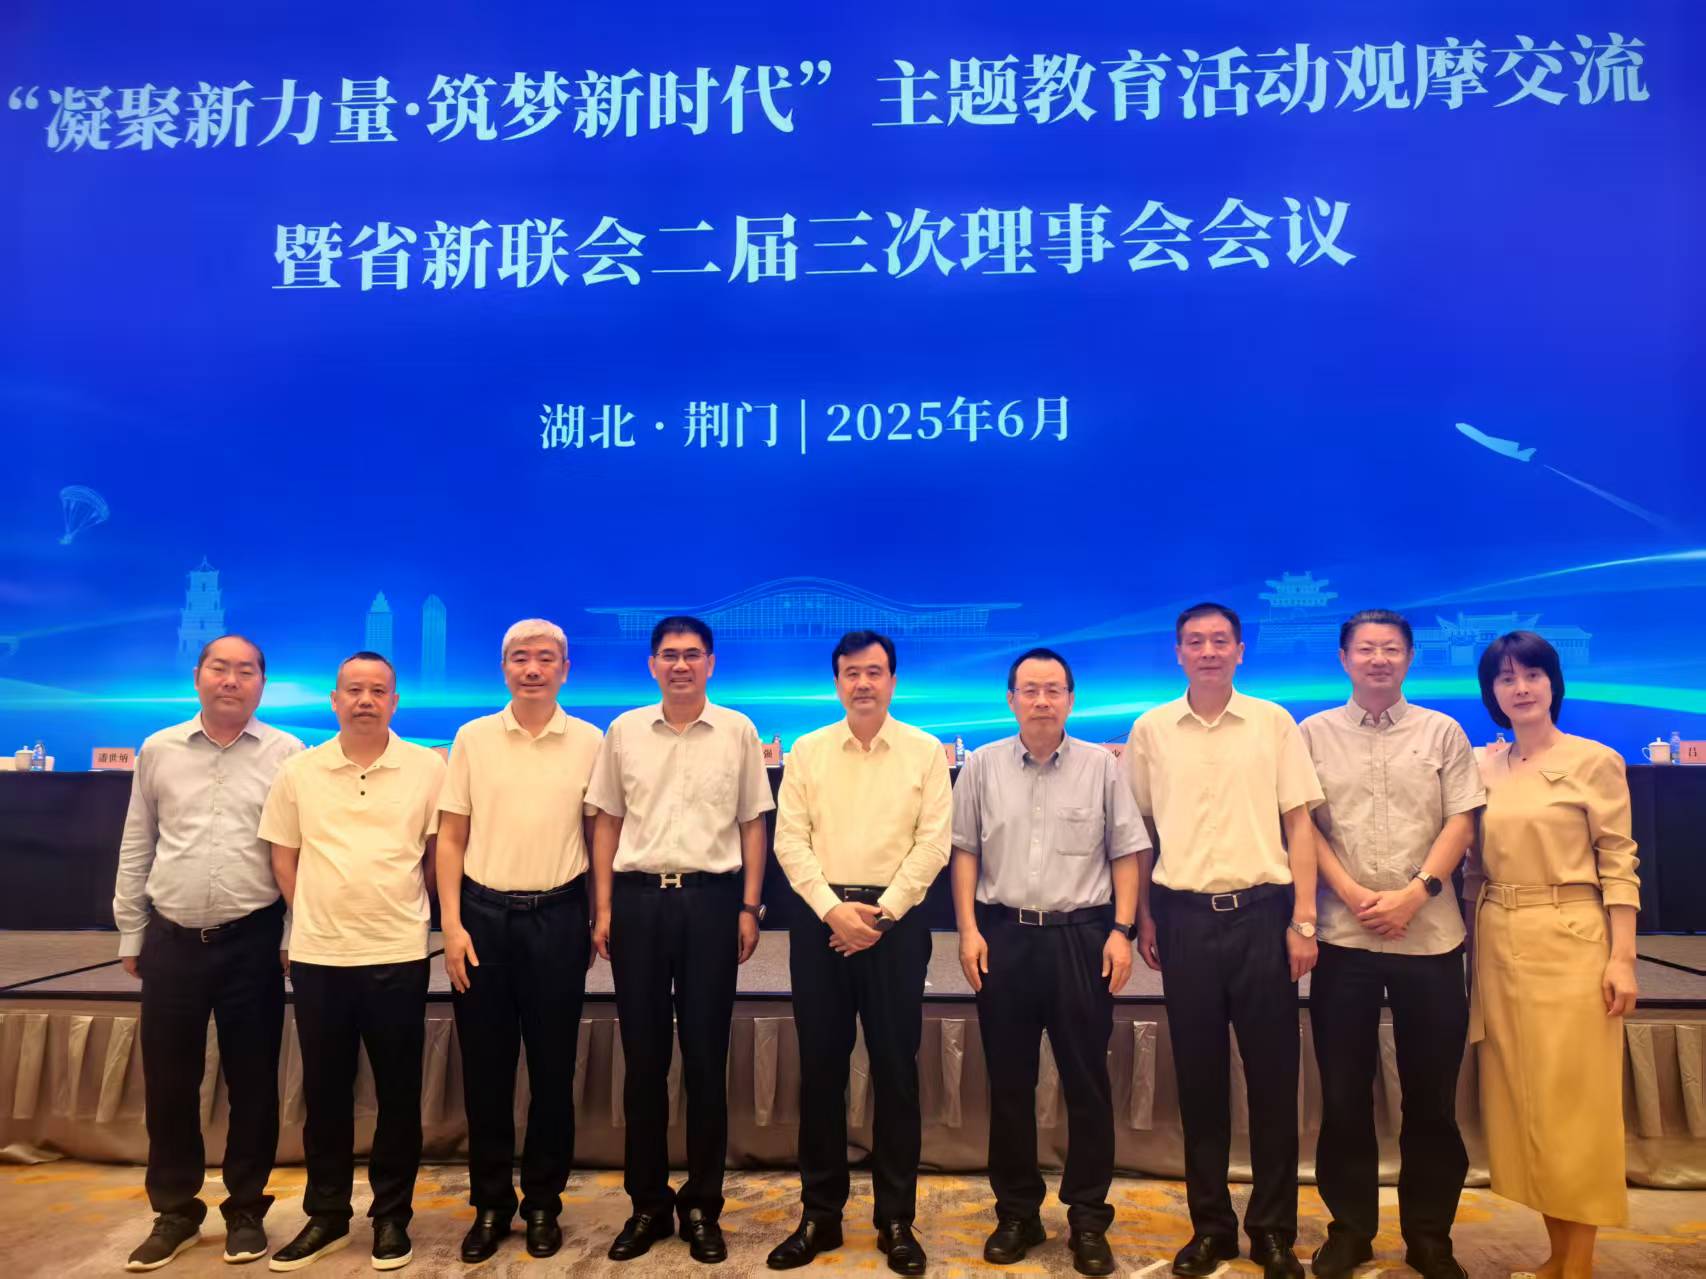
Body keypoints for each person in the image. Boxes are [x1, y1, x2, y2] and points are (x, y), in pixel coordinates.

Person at [1124, 603, 1322, 1279]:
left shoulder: (1273, 722)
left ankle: (1273, 1231)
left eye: (1219, 640)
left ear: (1240, 650)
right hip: (1182, 918)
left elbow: (1299, 825)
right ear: (1178, 652)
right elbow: (1139, 833)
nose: (1207, 651)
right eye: (1195, 641)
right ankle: (1210, 1227)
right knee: (1200, 1083)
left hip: (1264, 916)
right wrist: (1145, 916)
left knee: (1273, 1083)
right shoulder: (1151, 730)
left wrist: (1304, 920)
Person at [950, 648, 1146, 1277]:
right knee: (1009, 1084)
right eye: (1030, 690)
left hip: (1082, 939)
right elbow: (964, 853)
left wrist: (1122, 931)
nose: (1041, 700)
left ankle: (1087, 1218)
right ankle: (1017, 1214)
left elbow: (1126, 853)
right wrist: (968, 931)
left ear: (1070, 698)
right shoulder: (981, 765)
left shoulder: (1101, 766)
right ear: (1011, 699)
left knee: (1087, 1083)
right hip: (1003, 937)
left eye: (1053, 689)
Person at [1299, 611, 1482, 1279]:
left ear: (1409, 657)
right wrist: (1350, 892)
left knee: (1431, 1098)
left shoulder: (1443, 731)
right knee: (1344, 1095)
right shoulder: (1312, 733)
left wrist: (1417, 892)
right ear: (1344, 657)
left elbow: (1462, 818)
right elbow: (1304, 824)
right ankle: (1350, 1230)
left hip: (1429, 937)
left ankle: (1430, 1236)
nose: (1379, 658)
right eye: (1366, 648)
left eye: (1392, 648)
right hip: (1344, 939)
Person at [587, 615, 774, 1265]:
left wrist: (750, 906)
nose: (681, 665)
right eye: (669, 655)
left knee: (703, 1059)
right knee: (643, 1061)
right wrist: (603, 907)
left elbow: (753, 824)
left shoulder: (738, 730)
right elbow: (608, 821)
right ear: (652, 664)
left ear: (711, 663)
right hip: (637, 903)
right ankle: (646, 1203)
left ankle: (701, 1206)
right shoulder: (624, 731)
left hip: (712, 902)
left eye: (693, 655)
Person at [114, 636, 303, 1271]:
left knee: (253, 1081)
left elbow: (297, 852)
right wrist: (131, 931)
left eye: (245, 671)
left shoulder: (287, 753)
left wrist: (291, 933)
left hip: (253, 939)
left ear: (262, 684)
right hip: (171, 939)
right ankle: (175, 1211)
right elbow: (138, 841)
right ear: (197, 676)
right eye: (219, 668)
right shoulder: (158, 749)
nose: (231, 680)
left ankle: (246, 1209)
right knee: (170, 1083)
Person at [767, 631, 952, 1275]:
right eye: (851, 672)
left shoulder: (925, 751)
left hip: (895, 928)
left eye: (875, 672)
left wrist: (884, 913)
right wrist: (833, 911)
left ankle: (895, 1220)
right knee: (821, 1073)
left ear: (892, 680)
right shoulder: (809, 750)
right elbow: (790, 842)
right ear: (837, 682)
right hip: (822, 925)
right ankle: (819, 1216)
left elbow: (933, 843)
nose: (863, 683)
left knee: (896, 1074)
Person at [259, 652, 445, 1273]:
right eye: (354, 690)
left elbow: (433, 856)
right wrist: (312, 914)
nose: (366, 700)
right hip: (320, 955)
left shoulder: (428, 767)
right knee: (326, 1093)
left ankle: (392, 1217)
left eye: (379, 691)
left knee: (399, 1095)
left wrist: (406, 911)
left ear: (395, 701)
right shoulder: (299, 771)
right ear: (334, 700)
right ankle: (328, 1215)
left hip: (398, 952)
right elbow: (284, 857)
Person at [1473, 631, 1638, 1279]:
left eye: (1532, 674)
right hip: (1498, 939)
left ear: (1553, 682)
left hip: (1570, 938)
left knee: (1575, 1103)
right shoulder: (1485, 766)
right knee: (1527, 1102)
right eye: (1506, 677)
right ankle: (1556, 1256)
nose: (1521, 687)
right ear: (1492, 692)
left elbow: (1619, 861)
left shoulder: (1594, 760)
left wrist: (1622, 957)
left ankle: (1579, 1264)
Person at [436, 620, 602, 1263]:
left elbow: (597, 838)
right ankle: (490, 1204)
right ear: (503, 667)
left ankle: (542, 1204)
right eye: (520, 658)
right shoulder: (473, 738)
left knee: (554, 1071)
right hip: (482, 919)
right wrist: (451, 926)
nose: (532, 669)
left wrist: (598, 914)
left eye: (545, 658)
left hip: (558, 917)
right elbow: (451, 838)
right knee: (486, 1071)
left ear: (565, 669)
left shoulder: (590, 741)